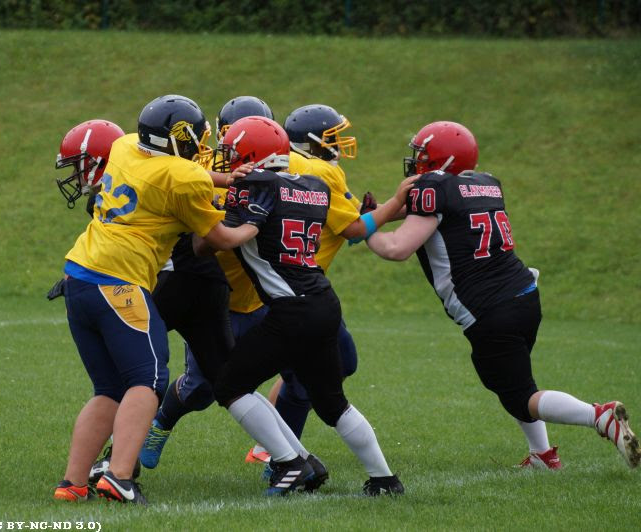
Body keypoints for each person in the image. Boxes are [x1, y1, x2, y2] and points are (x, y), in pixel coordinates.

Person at [366, 120, 640, 470]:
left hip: (491, 310)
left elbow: (396, 248)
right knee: (515, 381)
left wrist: (364, 228)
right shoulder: (484, 184)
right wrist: (377, 211)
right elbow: (426, 211)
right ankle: (543, 456)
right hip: (524, 295)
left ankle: (599, 417)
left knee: (520, 396)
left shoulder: (436, 189)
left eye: (423, 155)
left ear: (442, 161)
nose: (416, 161)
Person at [53, 95, 258, 505]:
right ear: (181, 137)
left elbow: (169, 173)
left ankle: (72, 484)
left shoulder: (125, 145)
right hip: (120, 282)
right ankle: (119, 477)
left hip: (79, 275)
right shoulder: (183, 177)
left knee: (109, 388)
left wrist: (225, 180)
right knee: (148, 381)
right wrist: (254, 222)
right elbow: (219, 238)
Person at [202, 116, 415, 496]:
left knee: (230, 385)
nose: (229, 161)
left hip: (291, 310)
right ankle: (383, 478)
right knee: (332, 402)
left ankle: (290, 462)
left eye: (234, 154)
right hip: (323, 302)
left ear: (251, 156)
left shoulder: (254, 187)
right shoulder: (315, 186)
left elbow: (213, 242)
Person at [139, 96, 274, 470]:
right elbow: (201, 240)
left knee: (310, 368)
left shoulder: (286, 174)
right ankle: (160, 424)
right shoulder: (199, 167)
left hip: (266, 298)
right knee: (203, 389)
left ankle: (280, 457)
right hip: (218, 299)